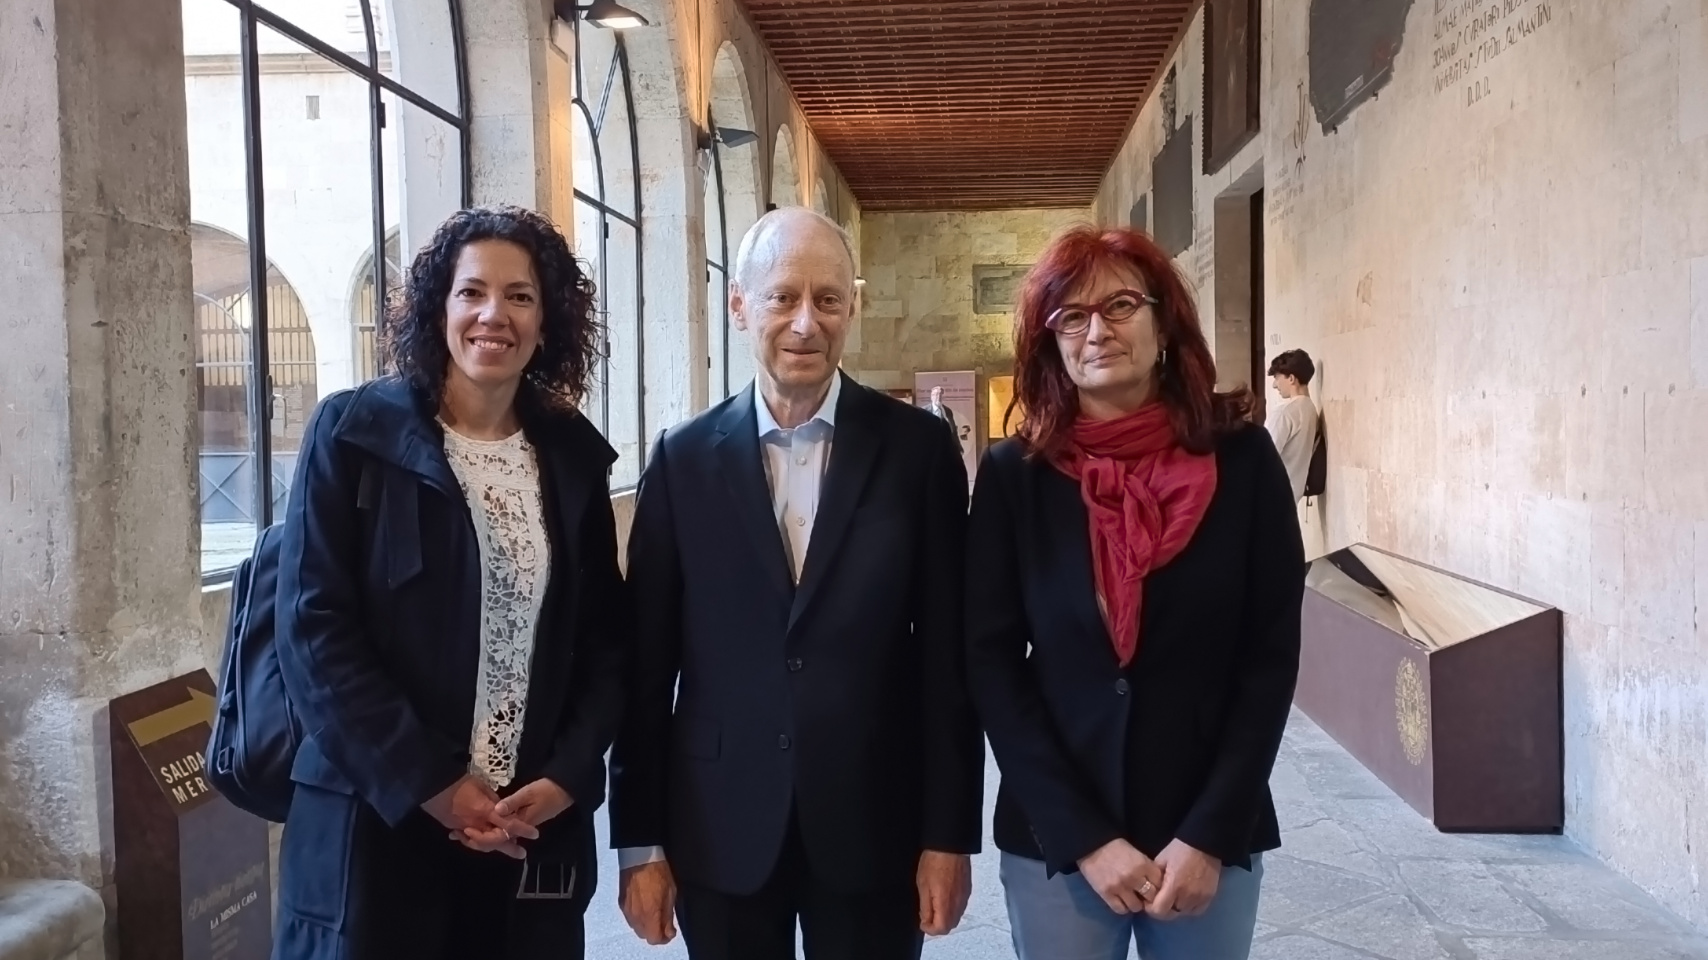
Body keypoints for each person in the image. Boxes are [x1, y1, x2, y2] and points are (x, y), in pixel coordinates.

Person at [610, 207, 984, 960]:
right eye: (783, 297)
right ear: (740, 304)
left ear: (854, 306)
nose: (805, 323)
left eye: (828, 298)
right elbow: (645, 673)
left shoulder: (917, 452)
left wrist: (949, 835)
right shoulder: (682, 461)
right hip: (719, 823)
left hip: (874, 817)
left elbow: (950, 661)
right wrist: (638, 843)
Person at [271, 205, 627, 960]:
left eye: (520, 296)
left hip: (529, 828)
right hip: (378, 821)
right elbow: (314, 633)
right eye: (471, 292)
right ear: (439, 306)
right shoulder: (350, 434)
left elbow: (605, 639)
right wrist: (436, 785)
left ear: (547, 321)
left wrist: (566, 775)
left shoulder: (570, 457)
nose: (492, 315)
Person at [965, 225, 1304, 960]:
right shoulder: (1013, 477)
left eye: (1120, 305)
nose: (1098, 332)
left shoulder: (1243, 462)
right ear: (1049, 339)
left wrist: (1210, 833)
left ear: (1163, 320)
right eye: (1072, 316)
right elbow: (991, 663)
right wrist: (1085, 838)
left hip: (1207, 831)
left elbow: (1269, 659)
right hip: (1059, 834)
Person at [1264, 349, 1319, 501]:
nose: (1275, 385)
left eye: (1277, 378)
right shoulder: (1310, 409)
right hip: (1291, 498)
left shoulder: (1285, 412)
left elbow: (1262, 458)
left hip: (1269, 499)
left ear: (1291, 379)